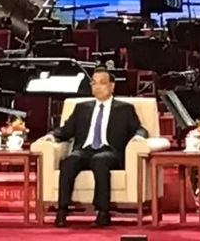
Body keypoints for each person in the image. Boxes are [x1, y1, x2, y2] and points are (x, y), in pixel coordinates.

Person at [39, 67, 148, 227]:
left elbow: (139, 129)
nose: (97, 87)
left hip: (109, 152)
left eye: (102, 83)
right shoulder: (82, 107)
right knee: (69, 161)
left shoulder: (124, 109)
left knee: (100, 161)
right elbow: (67, 130)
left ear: (112, 86)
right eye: (94, 83)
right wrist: (52, 135)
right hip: (85, 150)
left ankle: (103, 212)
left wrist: (139, 137)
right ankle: (62, 210)